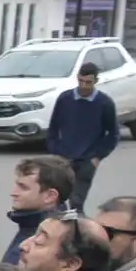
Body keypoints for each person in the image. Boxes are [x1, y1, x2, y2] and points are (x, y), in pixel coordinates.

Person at [47, 61, 119, 214]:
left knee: (76, 203)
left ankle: (78, 234)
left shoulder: (104, 103)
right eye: (81, 81)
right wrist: (55, 150)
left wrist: (98, 157)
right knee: (56, 200)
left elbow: (113, 134)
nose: (84, 86)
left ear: (96, 81)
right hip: (64, 158)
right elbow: (53, 127)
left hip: (87, 160)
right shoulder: (65, 99)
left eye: (88, 82)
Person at [4, 156, 74, 263]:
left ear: (50, 196)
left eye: (23, 187)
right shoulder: (30, 224)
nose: (13, 193)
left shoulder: (51, 239)